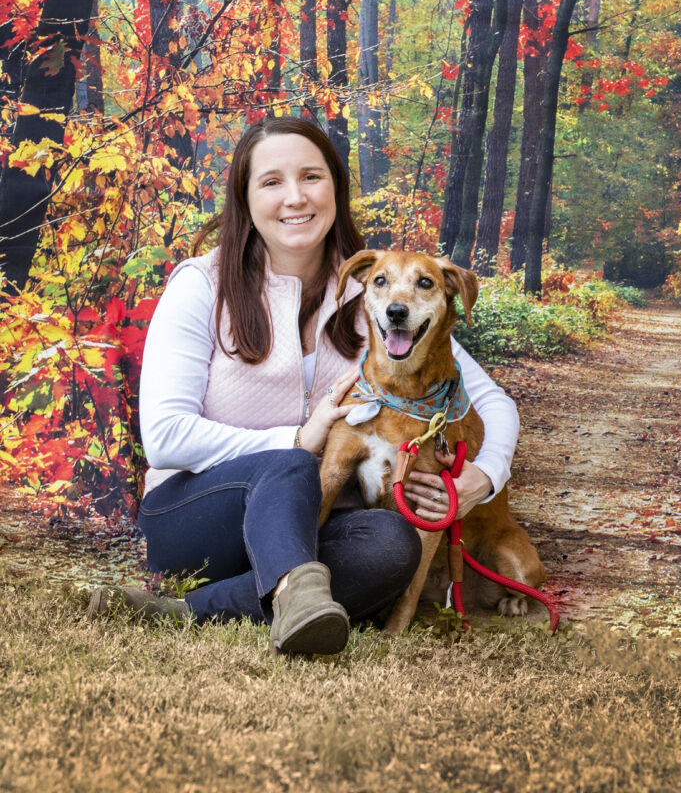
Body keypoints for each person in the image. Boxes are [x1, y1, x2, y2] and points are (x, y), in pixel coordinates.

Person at [87, 116, 520, 656]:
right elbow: (166, 437)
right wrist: (299, 438)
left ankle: (210, 608)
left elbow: (492, 403)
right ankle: (292, 585)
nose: (295, 197)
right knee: (293, 463)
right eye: (271, 182)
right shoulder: (201, 286)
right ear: (245, 199)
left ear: (335, 189)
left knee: (391, 545)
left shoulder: (378, 296)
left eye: (311, 177)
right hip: (199, 517)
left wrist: (484, 478)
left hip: (307, 530)